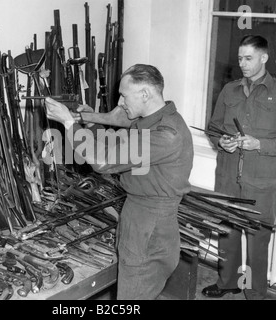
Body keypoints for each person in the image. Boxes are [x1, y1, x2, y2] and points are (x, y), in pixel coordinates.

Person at [45, 64, 194, 300]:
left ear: (145, 94)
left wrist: (68, 122)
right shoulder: (158, 119)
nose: (121, 101)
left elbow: (102, 161)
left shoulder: (164, 135)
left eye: (124, 95)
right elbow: (119, 127)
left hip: (148, 225)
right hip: (147, 220)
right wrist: (88, 118)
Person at [202, 35, 276, 300]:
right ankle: (229, 283)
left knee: (257, 244)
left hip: (260, 185)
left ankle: (254, 293)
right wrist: (221, 141)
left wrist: (259, 143)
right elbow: (213, 128)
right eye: (240, 58)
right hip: (226, 178)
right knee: (227, 235)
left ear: (264, 57)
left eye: (248, 58)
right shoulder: (229, 90)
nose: (243, 64)